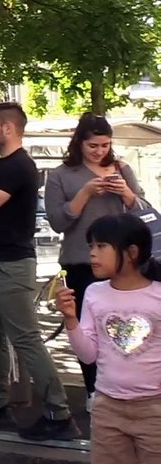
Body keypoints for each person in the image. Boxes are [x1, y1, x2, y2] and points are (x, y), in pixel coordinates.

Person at [0, 102, 77, 440]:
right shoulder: (0, 168)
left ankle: (59, 412)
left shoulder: (17, 167)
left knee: (24, 337)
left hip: (11, 264)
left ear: (7, 128)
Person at [44, 113, 144, 405]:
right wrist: (85, 194)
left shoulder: (122, 168)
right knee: (88, 329)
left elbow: (142, 211)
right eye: (93, 146)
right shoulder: (61, 175)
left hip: (125, 262)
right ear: (80, 143)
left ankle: (128, 388)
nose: (100, 151)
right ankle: (93, 390)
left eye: (105, 145)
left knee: (127, 325)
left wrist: (126, 193)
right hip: (80, 262)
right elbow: (57, 221)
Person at [56, 213, 161, 464]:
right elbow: (88, 355)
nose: (92, 254)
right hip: (107, 408)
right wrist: (70, 319)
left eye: (101, 246)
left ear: (132, 252)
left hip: (155, 409)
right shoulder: (94, 293)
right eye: (91, 246)